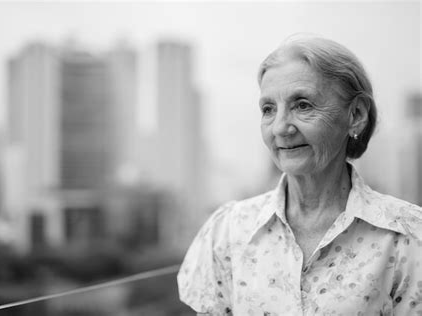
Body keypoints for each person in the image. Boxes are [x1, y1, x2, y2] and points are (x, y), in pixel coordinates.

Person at [177, 35, 422, 315]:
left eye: (302, 105)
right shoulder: (227, 232)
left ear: (355, 115)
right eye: (268, 109)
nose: (280, 127)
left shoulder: (409, 236)